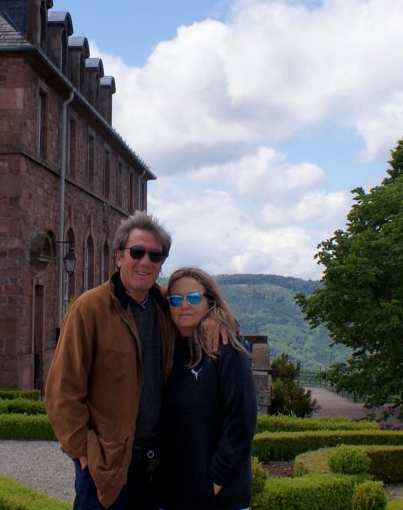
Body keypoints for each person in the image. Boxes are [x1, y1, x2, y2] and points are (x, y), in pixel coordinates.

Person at [46, 212, 175, 510]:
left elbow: (207, 309)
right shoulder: (89, 309)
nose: (145, 262)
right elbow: (61, 391)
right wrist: (84, 453)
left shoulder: (168, 308)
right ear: (118, 257)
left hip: (158, 464)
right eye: (137, 252)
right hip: (106, 466)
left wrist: (219, 324)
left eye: (155, 255)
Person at [158, 268, 257, 510]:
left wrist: (218, 476)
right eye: (175, 299)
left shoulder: (226, 349)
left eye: (193, 298)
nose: (184, 305)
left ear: (209, 301)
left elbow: (242, 418)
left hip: (217, 498)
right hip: (168, 495)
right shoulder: (164, 349)